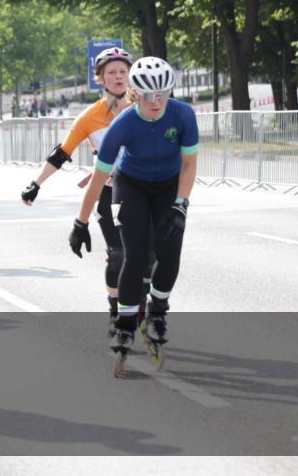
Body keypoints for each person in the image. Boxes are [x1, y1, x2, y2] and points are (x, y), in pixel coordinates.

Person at [69, 57, 199, 365]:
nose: (156, 102)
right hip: (131, 185)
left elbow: (190, 165)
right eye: (148, 95)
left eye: (163, 94)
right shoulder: (123, 124)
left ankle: (158, 312)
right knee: (135, 256)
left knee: (169, 255)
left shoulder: (183, 115)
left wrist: (181, 204)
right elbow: (99, 179)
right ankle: (125, 324)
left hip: (168, 186)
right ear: (135, 93)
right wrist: (80, 222)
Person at [21, 47, 139, 336]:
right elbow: (62, 153)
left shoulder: (144, 106)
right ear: (100, 79)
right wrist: (36, 184)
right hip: (109, 191)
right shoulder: (89, 117)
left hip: (143, 189)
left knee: (148, 256)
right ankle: (115, 306)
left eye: (123, 71)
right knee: (119, 254)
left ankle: (146, 305)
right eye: (111, 72)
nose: (119, 77)